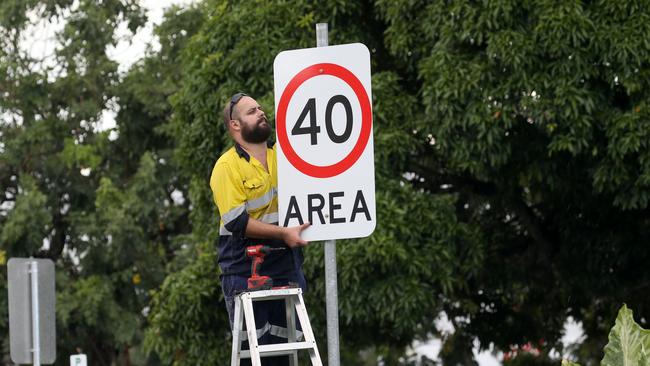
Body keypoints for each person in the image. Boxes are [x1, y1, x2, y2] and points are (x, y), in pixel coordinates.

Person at [210, 92, 310, 365]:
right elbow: (236, 222)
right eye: (252, 111)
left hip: (286, 265)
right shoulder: (226, 167)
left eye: (260, 108)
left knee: (287, 354)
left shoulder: (284, 156)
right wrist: (284, 234)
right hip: (245, 269)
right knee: (253, 355)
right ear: (235, 125)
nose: (261, 112)